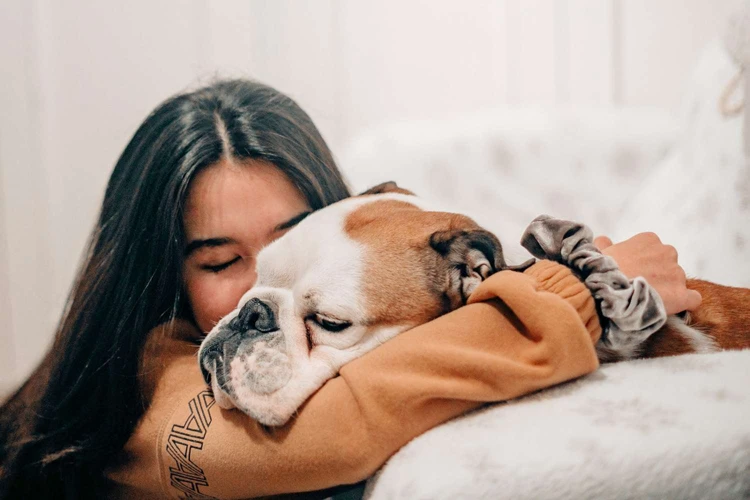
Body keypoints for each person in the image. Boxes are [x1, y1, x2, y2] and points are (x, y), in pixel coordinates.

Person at [0, 79, 701, 499]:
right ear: (159, 272)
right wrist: (582, 288)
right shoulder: (135, 393)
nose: (264, 292)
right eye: (221, 263)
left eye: (293, 247)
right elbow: (332, 434)